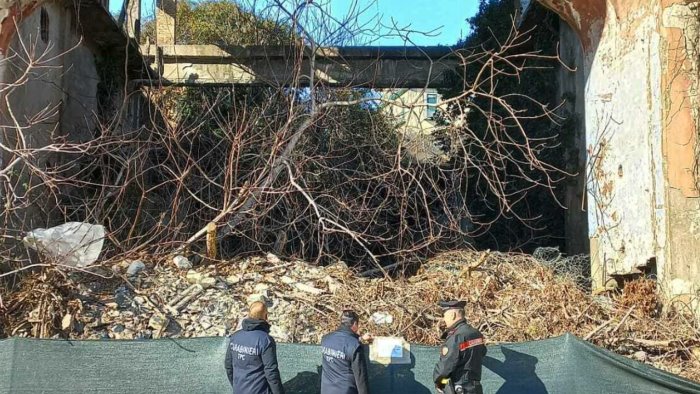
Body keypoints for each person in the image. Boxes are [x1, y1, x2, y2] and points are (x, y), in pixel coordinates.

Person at [225, 301, 285, 394]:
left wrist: (237, 387)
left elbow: (228, 366)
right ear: (266, 317)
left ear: (248, 314)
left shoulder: (235, 337)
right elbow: (271, 372)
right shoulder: (266, 340)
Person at [433, 300, 486, 394]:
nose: (444, 320)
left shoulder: (456, 336)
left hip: (459, 388)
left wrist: (440, 383)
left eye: (445, 316)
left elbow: (446, 367)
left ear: (453, 315)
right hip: (475, 387)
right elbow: (483, 352)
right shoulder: (476, 333)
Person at [320, 309, 373, 394]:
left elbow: (342, 344)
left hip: (327, 390)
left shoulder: (326, 339)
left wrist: (361, 339)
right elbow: (360, 377)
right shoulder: (355, 347)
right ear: (355, 324)